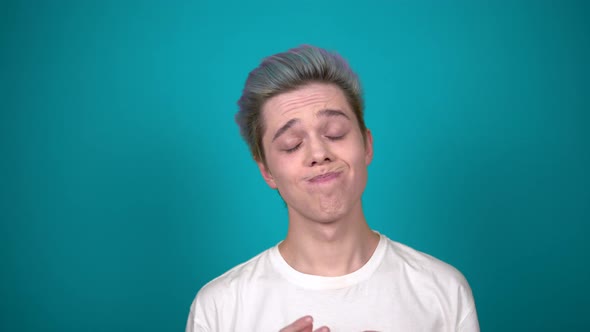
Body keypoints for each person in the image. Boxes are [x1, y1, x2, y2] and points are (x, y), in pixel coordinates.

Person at [185, 45, 479, 332]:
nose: (318, 153)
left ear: (367, 145)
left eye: (334, 133)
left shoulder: (443, 291)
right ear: (267, 171)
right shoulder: (219, 309)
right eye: (292, 144)